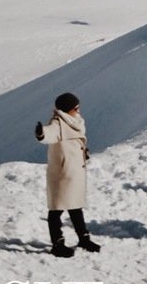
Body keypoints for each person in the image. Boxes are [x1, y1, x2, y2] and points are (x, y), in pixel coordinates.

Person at [35, 93, 100, 258]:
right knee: (56, 209)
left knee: (75, 206)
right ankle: (57, 244)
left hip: (75, 171)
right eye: (75, 108)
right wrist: (41, 134)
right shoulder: (58, 123)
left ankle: (83, 238)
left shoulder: (75, 121)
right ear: (67, 109)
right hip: (62, 173)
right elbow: (49, 133)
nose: (78, 110)